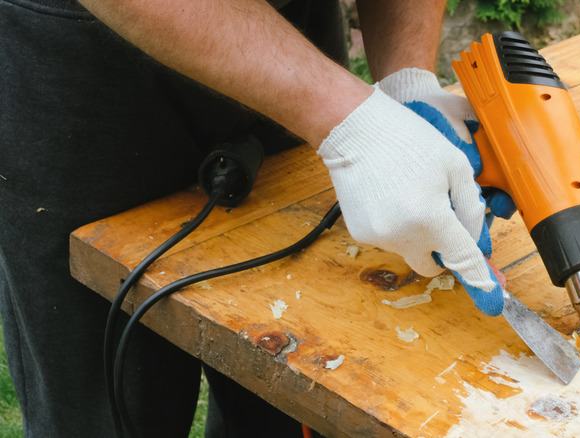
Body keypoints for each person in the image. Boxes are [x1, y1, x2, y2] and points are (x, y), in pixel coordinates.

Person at [0, 0, 513, 436]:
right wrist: (344, 117)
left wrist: (405, 78)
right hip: (83, 67)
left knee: (291, 389)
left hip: (293, 42)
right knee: (109, 405)